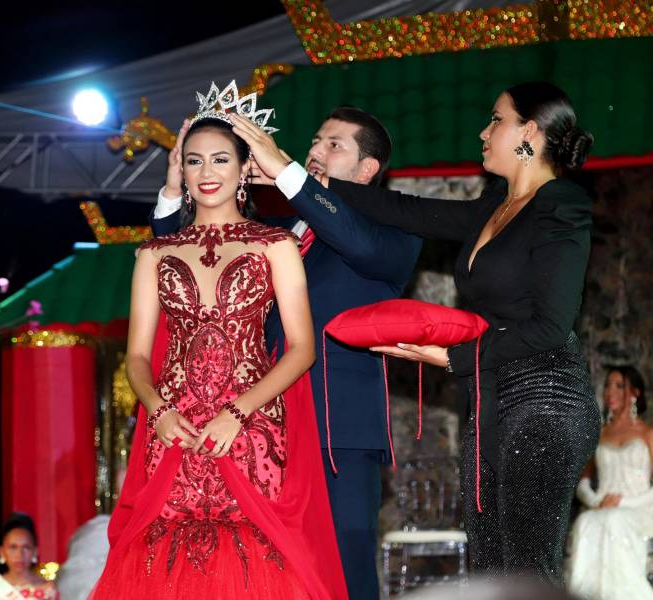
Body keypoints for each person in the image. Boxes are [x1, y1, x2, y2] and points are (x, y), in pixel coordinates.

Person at [234, 81, 601, 583]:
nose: (483, 131)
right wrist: (284, 175)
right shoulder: (487, 211)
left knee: (527, 570)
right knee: (491, 569)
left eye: (496, 120)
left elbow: (551, 326)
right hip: (488, 399)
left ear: (529, 133)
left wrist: (452, 358)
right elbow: (397, 208)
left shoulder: (562, 203)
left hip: (547, 399)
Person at [152, 102, 422, 599]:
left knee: (345, 565)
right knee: (271, 568)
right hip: (259, 428)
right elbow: (182, 269)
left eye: (333, 145)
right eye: (315, 141)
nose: (315, 151)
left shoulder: (395, 232)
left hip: (336, 429)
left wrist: (284, 174)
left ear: (368, 169)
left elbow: (353, 240)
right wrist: (176, 186)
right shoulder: (279, 230)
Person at [90, 82, 347, 599]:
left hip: (250, 428)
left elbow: (302, 348)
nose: (207, 173)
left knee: (258, 563)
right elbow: (137, 357)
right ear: (180, 172)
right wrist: (158, 411)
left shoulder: (276, 245)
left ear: (243, 168)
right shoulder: (153, 255)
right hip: (174, 428)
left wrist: (239, 411)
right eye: (194, 161)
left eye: (220, 159)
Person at [568, 366, 653, 599]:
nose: (610, 392)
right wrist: (596, 501)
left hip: (640, 506)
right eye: (607, 385)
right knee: (586, 521)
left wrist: (624, 500)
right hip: (603, 507)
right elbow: (583, 482)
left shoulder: (647, 434)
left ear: (634, 393)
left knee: (615, 520)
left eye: (619, 386)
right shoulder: (599, 434)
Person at [0, 512, 57, 600]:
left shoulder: (49, 588)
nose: (19, 554)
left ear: (35, 551)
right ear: (1, 551)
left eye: (26, 547)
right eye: (13, 547)